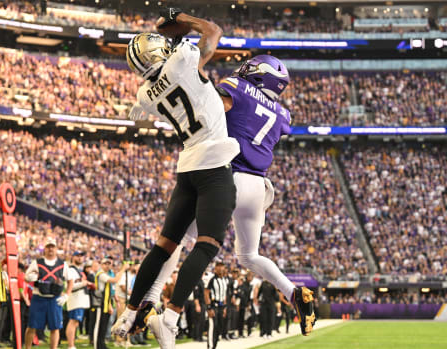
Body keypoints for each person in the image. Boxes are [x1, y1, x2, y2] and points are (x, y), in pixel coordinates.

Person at [119, 51, 317, 338]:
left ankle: (149, 301)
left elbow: (204, 104)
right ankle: (294, 292)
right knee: (249, 255)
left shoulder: (237, 88)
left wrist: (152, 104)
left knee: (178, 241)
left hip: (227, 175)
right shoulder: (283, 115)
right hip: (258, 188)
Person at [112, 8, 240, 349]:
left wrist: (171, 34)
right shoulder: (182, 59)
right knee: (207, 245)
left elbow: (180, 74)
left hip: (187, 168)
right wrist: (184, 19)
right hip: (213, 163)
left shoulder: (144, 96)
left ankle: (129, 311)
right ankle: (171, 317)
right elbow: (213, 31)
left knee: (163, 246)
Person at [24, 238, 74, 349]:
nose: (50, 249)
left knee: (55, 328)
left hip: (55, 299)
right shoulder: (36, 263)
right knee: (32, 326)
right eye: (48, 247)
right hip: (38, 298)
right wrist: (30, 277)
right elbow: (26, 277)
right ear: (45, 249)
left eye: (52, 246)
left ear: (56, 249)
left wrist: (67, 295)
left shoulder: (63, 264)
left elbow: (71, 280)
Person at [92, 259, 126, 349]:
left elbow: (110, 290)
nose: (107, 266)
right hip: (99, 303)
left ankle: (102, 345)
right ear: (101, 265)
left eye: (109, 264)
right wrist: (123, 269)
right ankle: (97, 345)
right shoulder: (101, 274)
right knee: (99, 326)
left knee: (104, 325)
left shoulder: (106, 274)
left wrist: (110, 304)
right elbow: (115, 280)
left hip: (105, 302)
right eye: (105, 264)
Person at [65, 251, 90, 349]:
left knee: (75, 322)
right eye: (77, 256)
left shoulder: (77, 270)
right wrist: (83, 283)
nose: (80, 258)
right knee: (73, 322)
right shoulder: (71, 270)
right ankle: (71, 346)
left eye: (81, 256)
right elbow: (70, 285)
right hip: (75, 299)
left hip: (80, 299)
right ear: (73, 257)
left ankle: (72, 345)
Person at [204, 262, 230, 349]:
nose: (221, 270)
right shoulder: (211, 279)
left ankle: (214, 346)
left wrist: (225, 308)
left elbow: (225, 294)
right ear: (216, 269)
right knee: (212, 328)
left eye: (222, 268)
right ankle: (210, 347)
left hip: (221, 306)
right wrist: (209, 307)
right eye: (219, 268)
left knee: (219, 328)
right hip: (213, 306)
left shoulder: (225, 279)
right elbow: (206, 293)